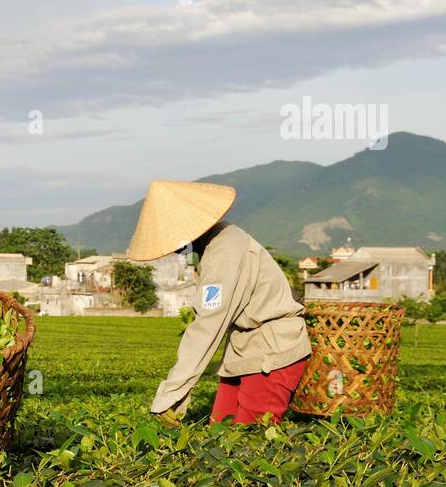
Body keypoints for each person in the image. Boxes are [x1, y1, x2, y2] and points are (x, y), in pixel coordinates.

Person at [127, 180, 312, 425]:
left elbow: (208, 325)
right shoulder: (218, 243)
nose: (172, 249)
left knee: (251, 443)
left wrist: (171, 394)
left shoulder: (224, 255)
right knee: (220, 431)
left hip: (271, 352)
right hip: (243, 350)